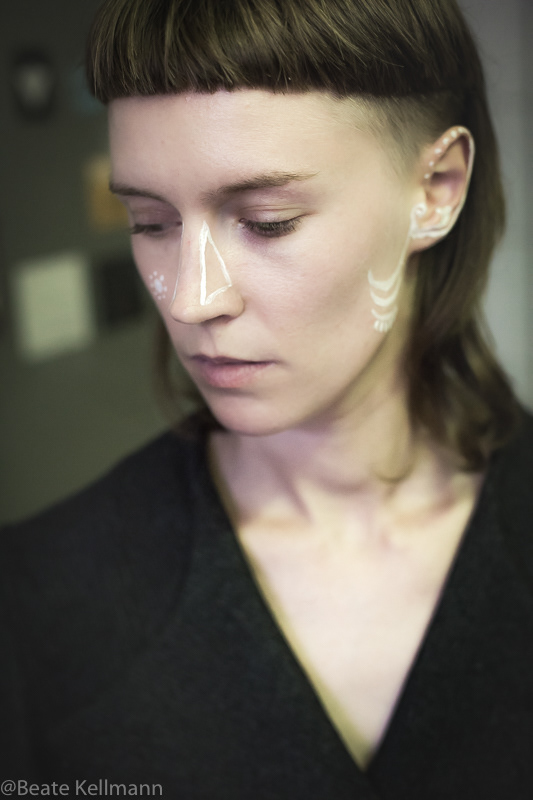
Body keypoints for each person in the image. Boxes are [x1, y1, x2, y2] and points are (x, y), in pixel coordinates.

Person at [1, 0, 532, 797]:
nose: (191, 299)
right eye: (149, 222)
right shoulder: (42, 597)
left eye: (267, 222)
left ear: (435, 188)